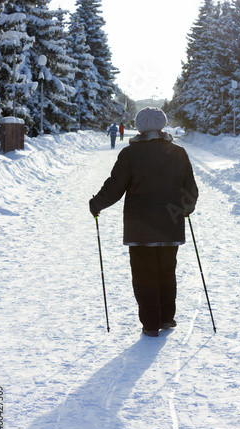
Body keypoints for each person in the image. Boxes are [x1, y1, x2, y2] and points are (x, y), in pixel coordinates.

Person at [89, 107, 198, 337]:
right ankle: (167, 318)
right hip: (170, 225)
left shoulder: (130, 155)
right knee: (167, 271)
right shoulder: (178, 153)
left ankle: (150, 324)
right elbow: (190, 191)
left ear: (139, 128)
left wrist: (96, 204)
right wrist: (182, 211)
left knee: (144, 274)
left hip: (140, 228)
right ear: (163, 126)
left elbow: (114, 187)